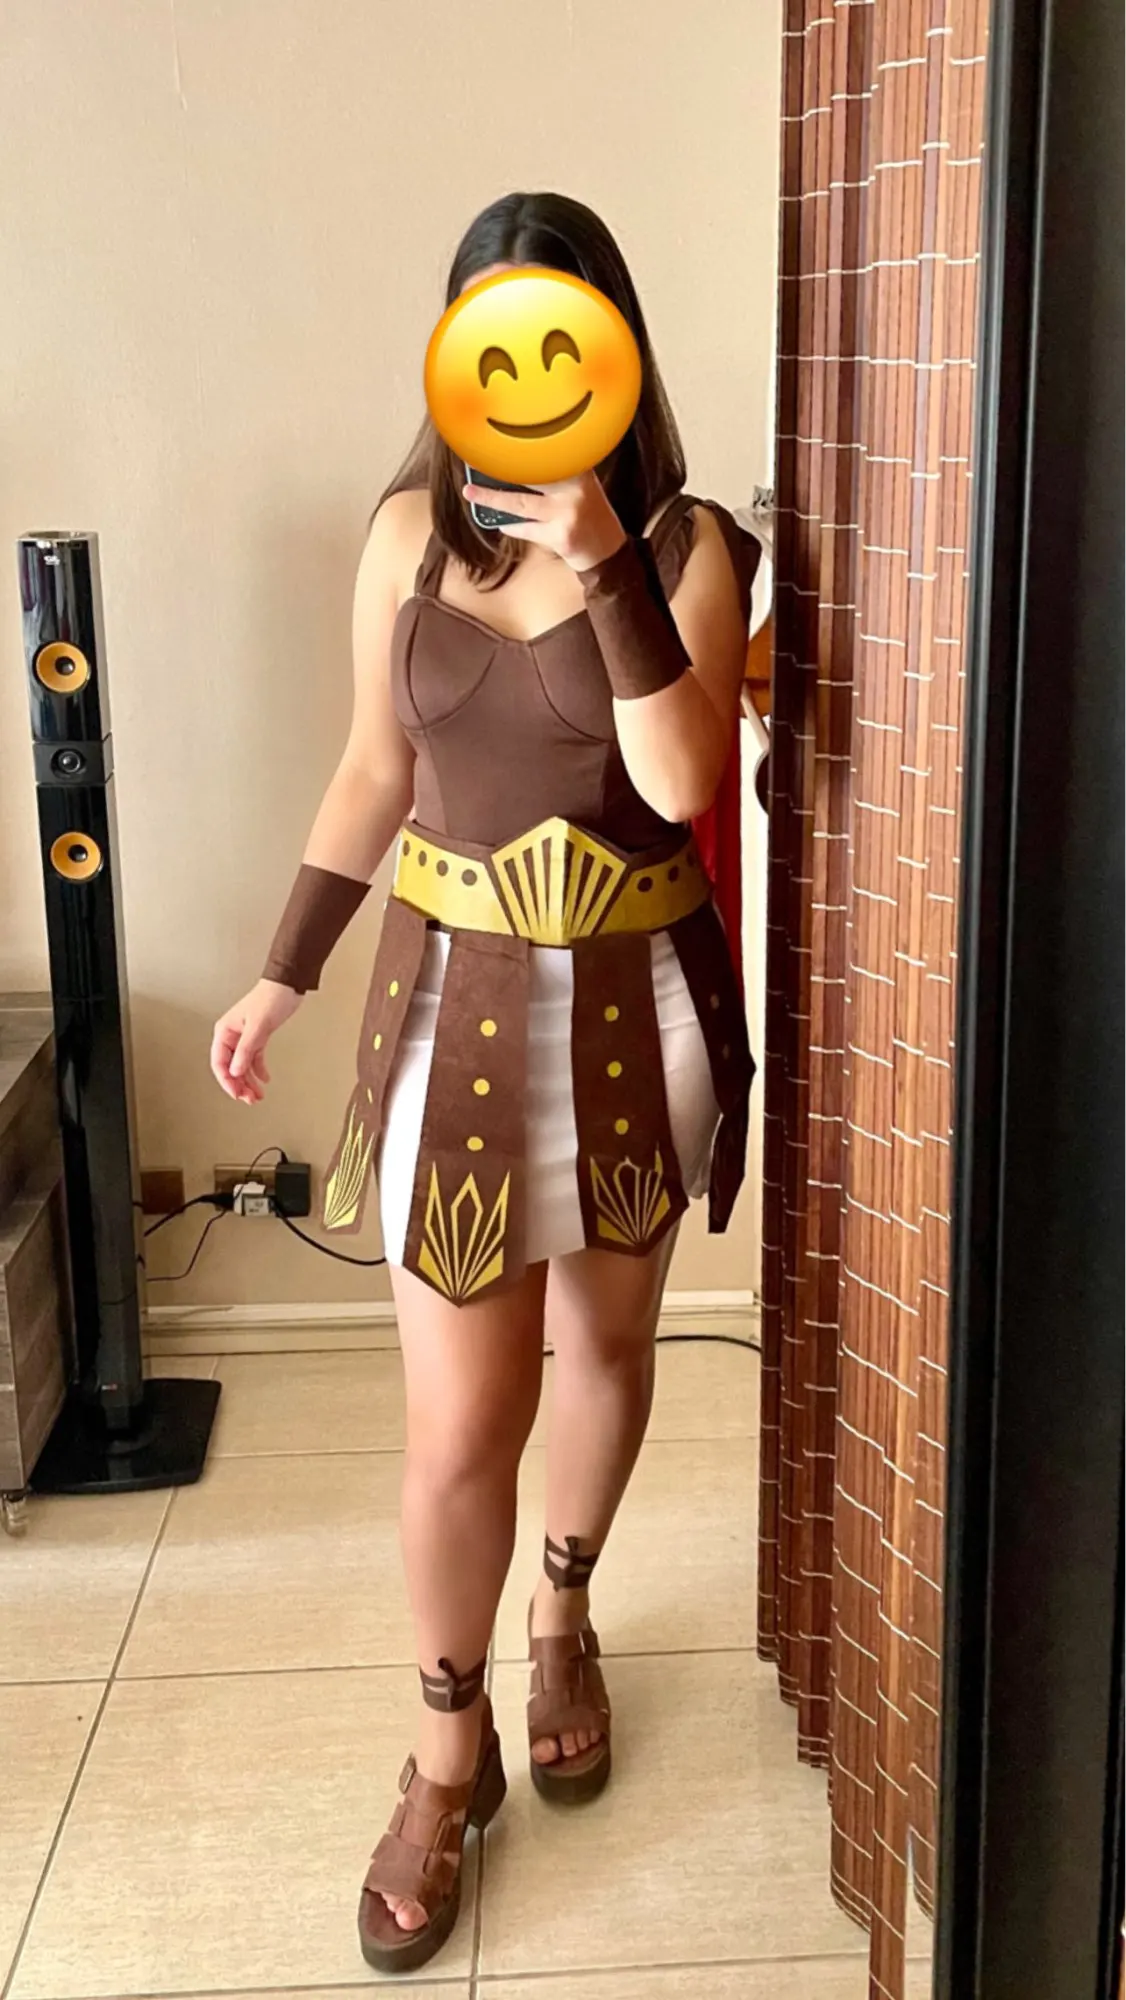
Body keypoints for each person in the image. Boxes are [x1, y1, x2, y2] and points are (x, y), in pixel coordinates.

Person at [209, 190, 757, 1977]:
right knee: (457, 1426)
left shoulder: (687, 543)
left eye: (560, 330)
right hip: (449, 1007)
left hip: (637, 1004)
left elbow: (680, 778)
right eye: (494, 330)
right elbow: (373, 772)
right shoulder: (401, 535)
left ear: (615, 348)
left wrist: (603, 560)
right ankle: (445, 1755)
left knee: (603, 1348)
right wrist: (283, 966)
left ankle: (563, 1615)